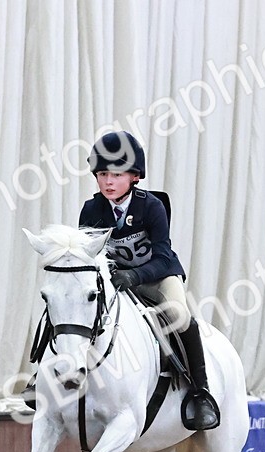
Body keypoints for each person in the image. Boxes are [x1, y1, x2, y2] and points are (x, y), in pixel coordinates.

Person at [75, 130, 220, 430]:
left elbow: (163, 257)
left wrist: (134, 275)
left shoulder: (152, 206)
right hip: (115, 281)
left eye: (117, 174)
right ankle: (46, 378)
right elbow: (85, 259)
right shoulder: (91, 210)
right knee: (73, 307)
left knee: (180, 317)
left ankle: (200, 392)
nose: (108, 182)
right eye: (102, 174)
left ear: (135, 177)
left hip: (156, 277)